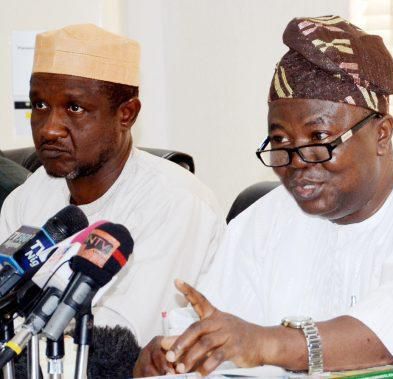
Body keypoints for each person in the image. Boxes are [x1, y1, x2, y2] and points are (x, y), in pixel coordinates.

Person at [134, 15, 393, 378]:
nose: (298, 162)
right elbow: (213, 327)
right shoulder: (263, 220)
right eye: (281, 141)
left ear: (381, 133)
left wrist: (265, 342)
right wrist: (174, 353)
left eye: (319, 140)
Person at [0, 24, 225, 345]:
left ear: (126, 114)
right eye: (39, 106)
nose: (49, 129)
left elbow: (116, 341)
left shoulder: (177, 202)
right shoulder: (28, 198)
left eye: (74, 108)